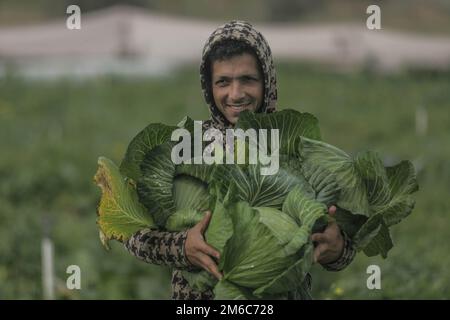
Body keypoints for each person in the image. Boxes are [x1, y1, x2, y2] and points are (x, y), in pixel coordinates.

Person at [124, 20, 355, 300]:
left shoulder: (296, 150)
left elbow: (346, 240)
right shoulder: (185, 150)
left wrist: (337, 247)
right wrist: (182, 246)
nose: (236, 94)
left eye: (247, 79)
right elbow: (133, 234)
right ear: (209, 87)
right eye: (223, 82)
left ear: (267, 80)